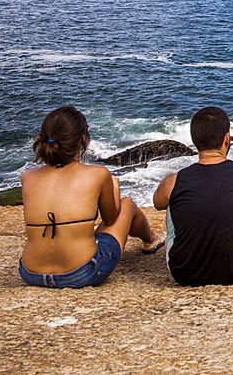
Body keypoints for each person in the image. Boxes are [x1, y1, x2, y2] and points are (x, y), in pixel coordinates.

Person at [19, 106, 164, 289]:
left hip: (30, 273)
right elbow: (111, 218)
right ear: (82, 140)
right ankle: (151, 240)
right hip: (80, 273)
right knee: (126, 204)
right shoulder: (97, 174)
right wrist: (114, 186)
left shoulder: (28, 177)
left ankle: (150, 239)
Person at [153, 106, 233, 286]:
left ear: (194, 141)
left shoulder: (174, 180)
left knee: (172, 201)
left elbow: (157, 202)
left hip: (184, 273)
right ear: (227, 138)